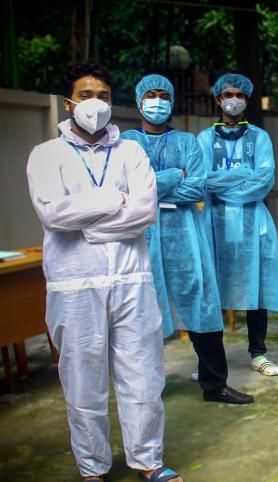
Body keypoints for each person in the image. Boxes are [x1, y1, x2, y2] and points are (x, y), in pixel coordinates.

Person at [25, 64, 182, 482]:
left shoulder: (131, 151)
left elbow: (144, 211)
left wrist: (88, 219)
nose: (96, 103)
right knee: (82, 382)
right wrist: (115, 198)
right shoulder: (46, 155)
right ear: (69, 103)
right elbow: (53, 213)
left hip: (132, 281)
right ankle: (92, 468)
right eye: (87, 94)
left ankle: (148, 461)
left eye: (104, 96)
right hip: (74, 285)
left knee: (144, 377)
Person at [121, 74, 253, 405]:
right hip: (140, 237)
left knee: (202, 305)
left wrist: (151, 187)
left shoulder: (188, 142)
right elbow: (126, 189)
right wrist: (173, 176)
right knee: (142, 311)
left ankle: (215, 384)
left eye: (164, 95)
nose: (158, 101)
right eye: (151, 94)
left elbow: (197, 187)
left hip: (185, 238)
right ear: (139, 101)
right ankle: (145, 388)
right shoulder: (125, 143)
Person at [197, 73, 278, 376]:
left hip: (252, 223)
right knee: (212, 290)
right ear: (219, 99)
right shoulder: (204, 139)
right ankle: (210, 361)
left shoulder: (260, 138)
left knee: (255, 287)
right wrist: (239, 177)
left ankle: (258, 353)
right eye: (228, 94)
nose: (234, 100)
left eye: (240, 95)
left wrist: (224, 183)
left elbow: (264, 181)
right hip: (215, 224)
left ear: (247, 100)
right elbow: (202, 181)